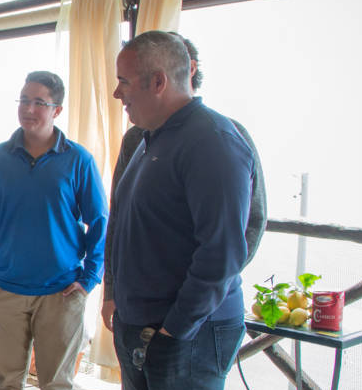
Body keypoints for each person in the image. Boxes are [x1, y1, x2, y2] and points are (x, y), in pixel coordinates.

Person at [108, 30, 253, 390]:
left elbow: (223, 250)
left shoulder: (212, 140)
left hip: (183, 332)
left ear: (157, 82)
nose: (117, 93)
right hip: (143, 325)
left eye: (124, 82)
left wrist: (174, 329)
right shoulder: (149, 139)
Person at [101, 35, 266, 327]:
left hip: (188, 321)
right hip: (137, 312)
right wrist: (113, 289)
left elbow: (243, 231)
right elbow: (120, 218)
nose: (117, 92)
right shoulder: (138, 137)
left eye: (124, 81)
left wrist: (184, 315)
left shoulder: (218, 138)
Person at [0, 71, 107, 390]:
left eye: (39, 102)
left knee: (57, 389)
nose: (28, 109)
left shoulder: (78, 160)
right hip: (4, 291)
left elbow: (100, 222)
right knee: (5, 383)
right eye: (23, 100)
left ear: (57, 110)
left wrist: (89, 278)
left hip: (62, 293)